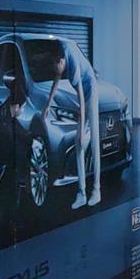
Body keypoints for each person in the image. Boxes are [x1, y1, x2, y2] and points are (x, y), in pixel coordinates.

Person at [49, 38, 100, 209]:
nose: (57, 72)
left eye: (56, 67)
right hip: (83, 90)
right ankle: (82, 193)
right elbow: (56, 79)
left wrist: (82, 130)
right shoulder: (60, 52)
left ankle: (96, 190)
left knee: (92, 141)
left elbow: (81, 102)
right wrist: (47, 105)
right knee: (79, 145)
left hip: (90, 89)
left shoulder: (72, 66)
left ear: (61, 61)